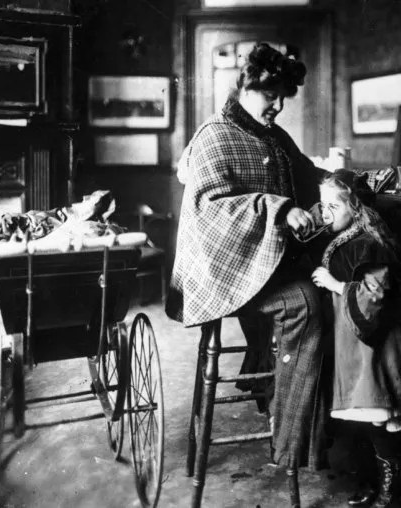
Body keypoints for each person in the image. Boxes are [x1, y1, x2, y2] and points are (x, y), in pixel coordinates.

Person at [166, 42, 330, 471]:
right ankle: (291, 444)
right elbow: (212, 209)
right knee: (307, 304)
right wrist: (278, 208)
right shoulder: (214, 137)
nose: (277, 104)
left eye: (282, 96)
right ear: (245, 86)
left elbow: (308, 176)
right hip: (220, 271)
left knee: (329, 288)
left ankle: (285, 403)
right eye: (269, 94)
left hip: (263, 264)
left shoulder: (274, 138)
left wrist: (345, 184)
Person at [311, 170, 401, 508]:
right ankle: (380, 483)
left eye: (334, 206)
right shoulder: (347, 237)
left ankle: (393, 490)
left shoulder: (370, 244)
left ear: (355, 207)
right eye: (322, 206)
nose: (326, 214)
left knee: (380, 414)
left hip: (375, 345)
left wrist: (334, 285)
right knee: (367, 415)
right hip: (353, 341)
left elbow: (373, 298)